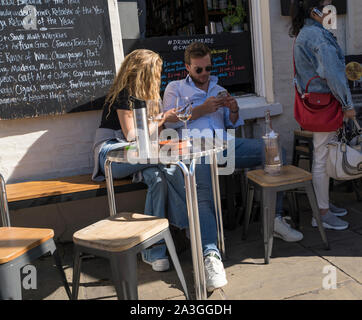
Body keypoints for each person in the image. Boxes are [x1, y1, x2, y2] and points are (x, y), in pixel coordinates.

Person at [91, 49, 227, 292]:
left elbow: (148, 141)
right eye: (156, 72)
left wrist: (162, 123)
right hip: (113, 154)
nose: (159, 77)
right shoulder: (125, 95)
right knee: (173, 166)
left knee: (160, 178)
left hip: (142, 156)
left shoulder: (147, 97)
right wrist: (163, 118)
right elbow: (132, 137)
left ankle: (154, 251)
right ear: (143, 72)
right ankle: (189, 225)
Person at [163, 42, 304, 243]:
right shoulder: (175, 88)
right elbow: (168, 120)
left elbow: (231, 122)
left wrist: (234, 109)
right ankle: (208, 242)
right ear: (187, 67)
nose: (205, 73)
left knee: (273, 151)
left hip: (224, 145)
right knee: (203, 189)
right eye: (199, 69)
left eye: (208, 68)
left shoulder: (218, 88)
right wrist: (202, 109)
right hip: (196, 148)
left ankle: (274, 219)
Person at [290, 0, 357, 230]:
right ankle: (322, 213)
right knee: (321, 158)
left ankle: (325, 205)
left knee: (324, 156)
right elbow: (333, 74)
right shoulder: (317, 36)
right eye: (327, 5)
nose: (331, 9)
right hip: (326, 104)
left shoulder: (307, 33)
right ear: (314, 11)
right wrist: (347, 104)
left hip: (318, 104)